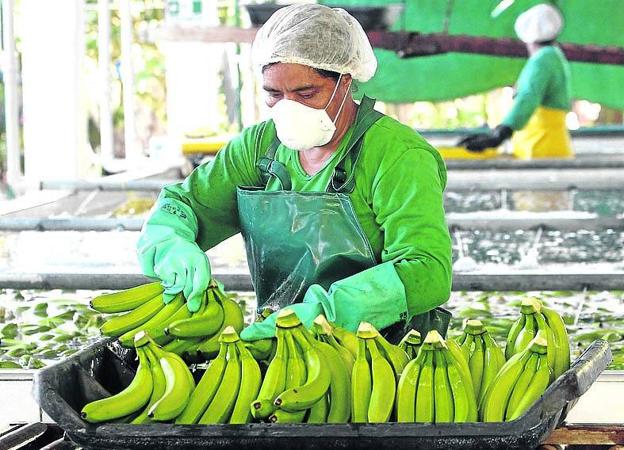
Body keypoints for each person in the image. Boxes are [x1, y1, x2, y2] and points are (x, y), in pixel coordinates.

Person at [136, 4, 452, 342]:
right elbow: (187, 205)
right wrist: (170, 242)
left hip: (384, 353)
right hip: (276, 342)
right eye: (274, 94)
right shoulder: (259, 147)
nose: (288, 106)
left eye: (305, 93)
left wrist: (326, 313)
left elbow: (428, 270)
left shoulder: (397, 155)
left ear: (344, 82)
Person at [459, 3, 573, 160]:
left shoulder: (542, 60)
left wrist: (501, 133)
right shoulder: (555, 56)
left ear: (527, 38)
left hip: (542, 146)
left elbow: (528, 98)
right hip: (551, 144)